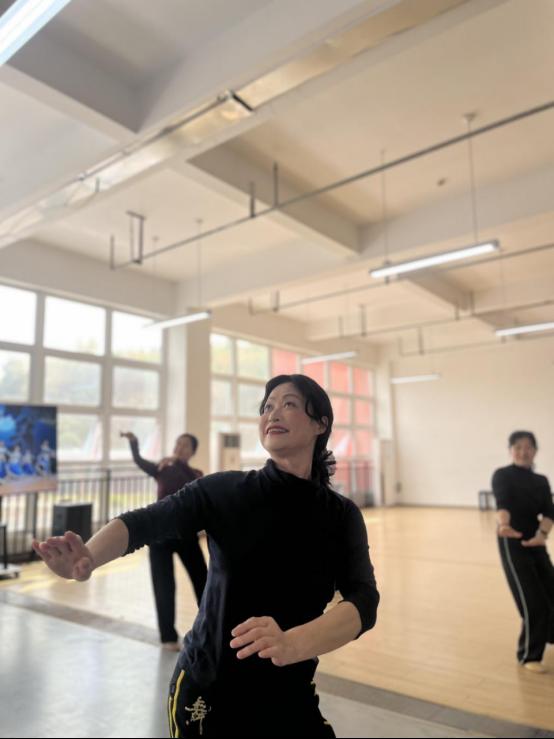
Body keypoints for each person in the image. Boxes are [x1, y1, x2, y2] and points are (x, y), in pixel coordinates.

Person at [32, 375, 379, 737]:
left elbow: (364, 600)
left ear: (320, 423)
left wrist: (292, 643)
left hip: (289, 695)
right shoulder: (225, 491)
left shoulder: (341, 516)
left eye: (289, 404)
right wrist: (88, 556)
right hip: (209, 693)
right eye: (267, 406)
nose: (273, 413)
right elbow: (144, 522)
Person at [120, 430, 208, 650]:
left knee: (203, 581)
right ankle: (167, 637)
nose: (179, 448)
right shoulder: (162, 468)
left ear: (193, 452)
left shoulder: (195, 473)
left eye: (185, 445)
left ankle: (212, 627)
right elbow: (140, 461)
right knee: (163, 585)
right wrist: (134, 442)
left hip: (186, 535)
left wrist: (178, 462)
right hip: (159, 537)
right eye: (178, 444)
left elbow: (192, 482)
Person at [492, 430, 554, 673]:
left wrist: (542, 535)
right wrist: (504, 525)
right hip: (511, 539)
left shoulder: (541, 480)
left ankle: (550, 635)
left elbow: (549, 511)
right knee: (532, 599)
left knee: (551, 590)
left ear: (535, 451)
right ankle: (529, 655)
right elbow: (503, 503)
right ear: (511, 451)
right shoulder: (502, 475)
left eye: (528, 447)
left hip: (535, 539)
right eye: (518, 447)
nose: (523, 451)